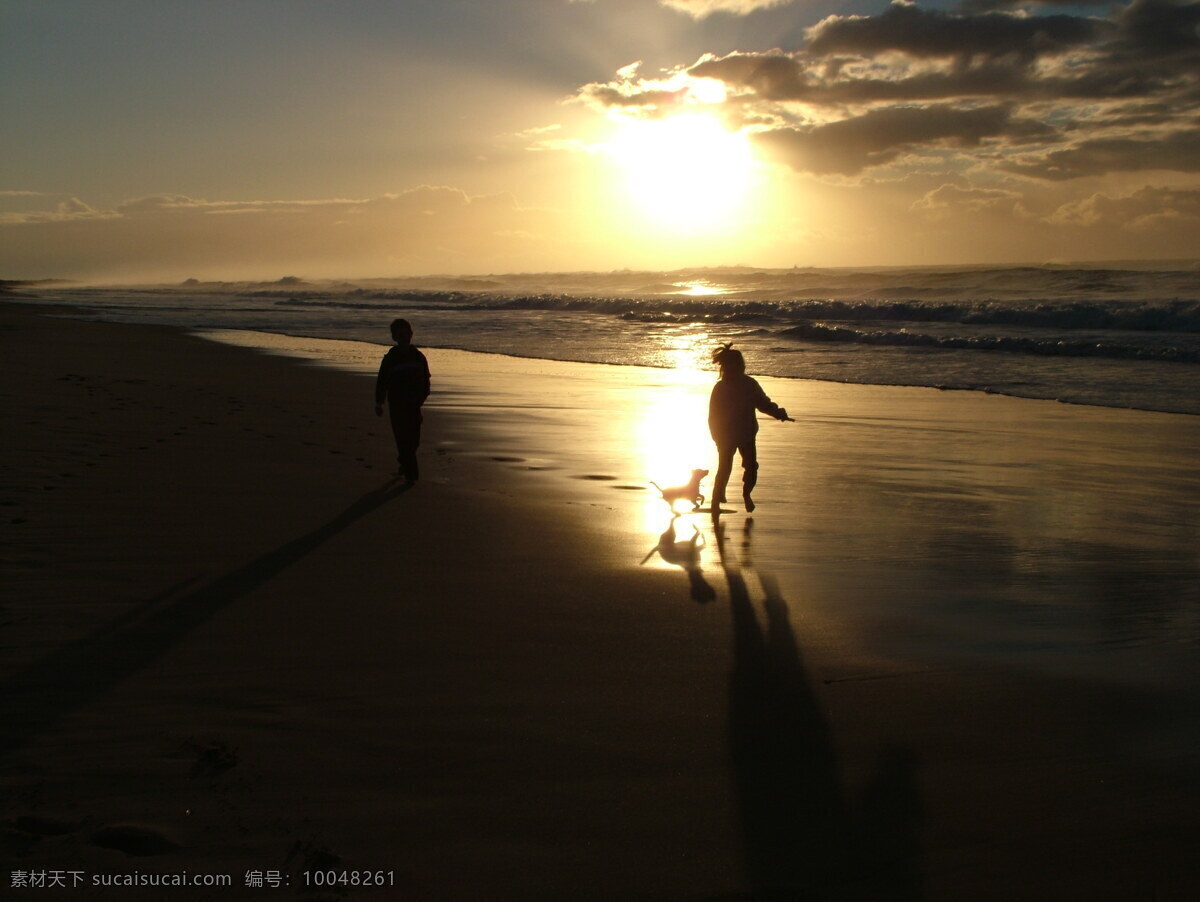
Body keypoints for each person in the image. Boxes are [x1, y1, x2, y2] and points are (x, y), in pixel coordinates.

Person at [708, 343, 791, 513]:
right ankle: (716, 501)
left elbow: (763, 403)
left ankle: (746, 494)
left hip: (746, 434)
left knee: (751, 467)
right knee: (724, 468)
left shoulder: (749, 384)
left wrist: (778, 413)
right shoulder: (720, 388)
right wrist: (716, 436)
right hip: (726, 436)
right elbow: (713, 415)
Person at [375, 318, 431, 483]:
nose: (404, 337)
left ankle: (404, 460)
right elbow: (381, 381)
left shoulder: (418, 357)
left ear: (411, 335)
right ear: (394, 338)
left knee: (414, 440)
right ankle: (411, 476)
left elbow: (426, 379)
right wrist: (379, 402)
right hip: (397, 405)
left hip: (414, 405)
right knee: (401, 438)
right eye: (400, 335)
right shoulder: (390, 358)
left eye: (406, 334)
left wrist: (423, 396)